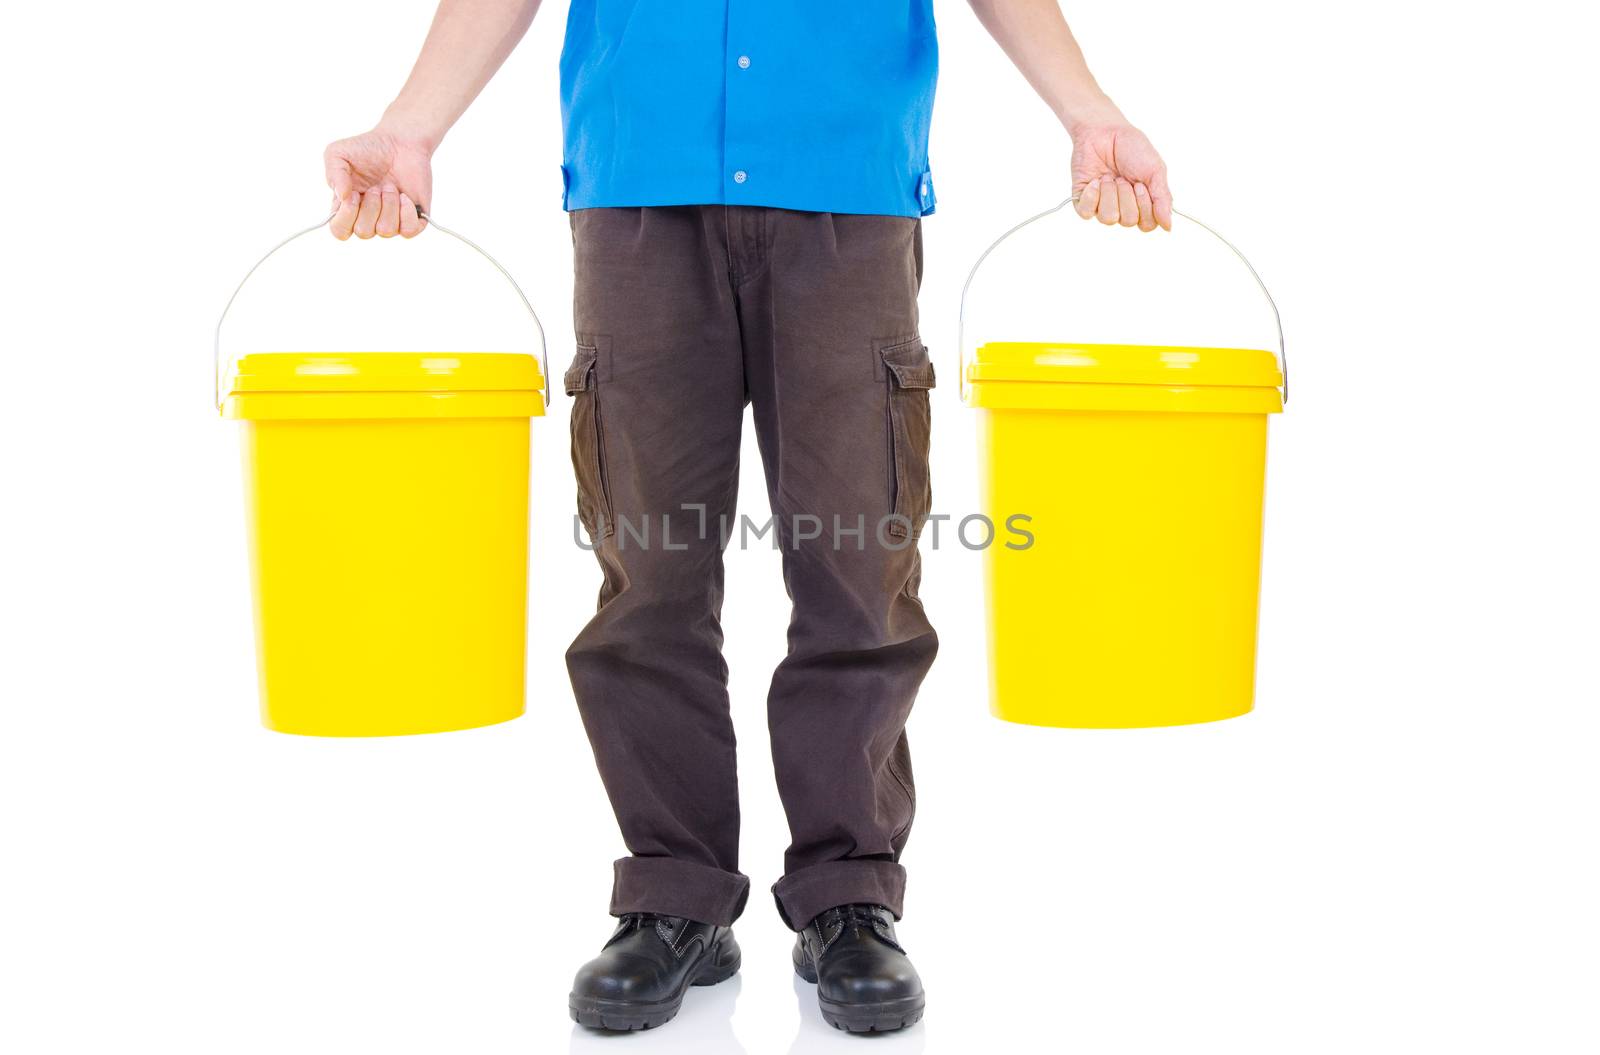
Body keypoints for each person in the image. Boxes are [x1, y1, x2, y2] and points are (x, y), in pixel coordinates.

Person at [324, 0, 1171, 1034]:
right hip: (640, 185)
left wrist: (1087, 112)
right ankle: (672, 895)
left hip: (845, 189)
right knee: (649, 570)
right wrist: (411, 125)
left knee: (859, 564)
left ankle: (848, 893)